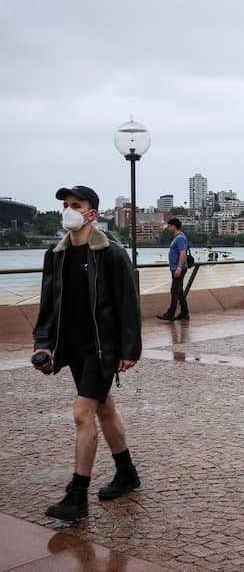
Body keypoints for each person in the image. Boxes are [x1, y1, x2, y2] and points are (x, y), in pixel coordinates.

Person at [32, 186, 142, 522]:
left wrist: (129, 349)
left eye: (75, 205)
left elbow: (128, 304)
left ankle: (76, 495)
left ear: (91, 213)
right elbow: (48, 306)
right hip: (74, 348)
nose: (68, 210)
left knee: (83, 413)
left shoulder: (112, 253)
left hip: (102, 348)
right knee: (104, 408)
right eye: (65, 206)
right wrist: (43, 343)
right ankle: (126, 472)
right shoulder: (56, 255)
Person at [157, 218, 190, 321]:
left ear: (174, 226)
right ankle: (184, 313)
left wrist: (179, 268)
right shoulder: (177, 237)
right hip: (175, 268)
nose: (168, 228)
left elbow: (183, 253)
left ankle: (170, 314)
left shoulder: (180, 238)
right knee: (179, 291)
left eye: (169, 226)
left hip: (178, 268)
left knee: (174, 290)